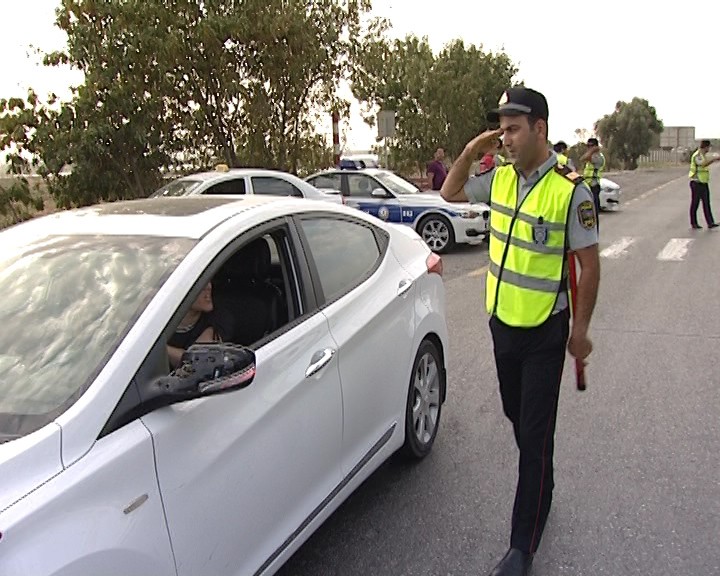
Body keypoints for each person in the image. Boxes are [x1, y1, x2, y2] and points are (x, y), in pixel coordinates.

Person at [440, 87, 600, 576]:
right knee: (520, 419)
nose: (505, 138)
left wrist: (582, 330)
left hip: (545, 332)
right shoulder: (500, 179)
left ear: (540, 129)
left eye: (513, 128)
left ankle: (520, 547)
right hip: (502, 325)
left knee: (531, 435)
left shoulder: (572, 191)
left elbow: (589, 267)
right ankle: (542, 476)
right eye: (501, 128)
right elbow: (448, 193)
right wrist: (471, 150)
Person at [167, 282, 233, 369]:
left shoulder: (218, 318)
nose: (208, 287)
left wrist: (160, 349)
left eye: (208, 281)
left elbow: (195, 362)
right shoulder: (159, 321)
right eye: (200, 283)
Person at [688, 139, 720, 229]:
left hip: (703, 182)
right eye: (709, 147)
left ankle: (710, 222)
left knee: (706, 203)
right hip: (696, 182)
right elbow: (702, 164)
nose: (709, 149)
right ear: (706, 146)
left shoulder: (702, 155)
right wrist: (714, 159)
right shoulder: (698, 155)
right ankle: (693, 223)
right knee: (695, 203)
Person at [580, 138, 605, 228]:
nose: (588, 148)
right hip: (588, 185)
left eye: (591, 146)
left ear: (595, 147)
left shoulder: (599, 157)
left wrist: (593, 150)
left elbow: (584, 158)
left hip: (594, 186)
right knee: (587, 212)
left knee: (594, 212)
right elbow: (582, 159)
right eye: (588, 146)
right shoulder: (592, 156)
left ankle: (595, 235)